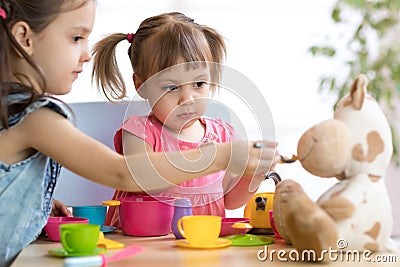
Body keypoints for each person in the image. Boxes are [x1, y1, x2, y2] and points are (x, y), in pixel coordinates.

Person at [0, 2, 276, 265]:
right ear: (24, 37)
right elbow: (126, 173)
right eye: (76, 38)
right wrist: (220, 155)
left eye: (199, 83)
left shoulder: (18, 111)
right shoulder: (33, 116)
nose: (86, 54)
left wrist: (35, 210)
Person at [91, 12, 279, 228]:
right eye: (171, 87)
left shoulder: (223, 134)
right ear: (140, 85)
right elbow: (148, 181)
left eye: (199, 84)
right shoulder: (138, 132)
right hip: (145, 245)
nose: (187, 99)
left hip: (202, 243)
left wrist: (254, 174)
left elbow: (231, 200)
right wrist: (208, 157)